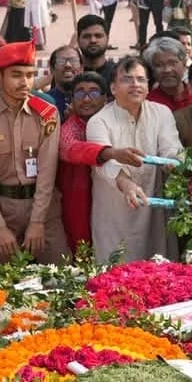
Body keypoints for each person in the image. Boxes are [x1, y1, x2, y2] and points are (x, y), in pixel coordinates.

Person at [0, 40, 70, 264]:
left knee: (62, 277)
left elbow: (47, 171)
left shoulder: (47, 114)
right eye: (16, 75)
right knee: (7, 287)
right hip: (4, 212)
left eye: (29, 74)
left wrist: (38, 221)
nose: (25, 82)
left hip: (45, 210)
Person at [88, 57, 183, 261]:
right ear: (113, 88)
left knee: (159, 275)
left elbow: (172, 148)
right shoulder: (99, 121)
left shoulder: (161, 113)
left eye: (141, 79)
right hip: (114, 214)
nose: (135, 85)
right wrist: (127, 184)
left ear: (149, 86)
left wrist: (173, 162)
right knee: (115, 277)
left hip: (153, 213)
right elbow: (105, 164)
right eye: (127, 79)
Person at [55, 71, 111, 253]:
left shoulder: (113, 125)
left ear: (105, 98)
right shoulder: (67, 129)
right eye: (80, 93)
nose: (86, 99)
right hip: (78, 204)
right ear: (72, 99)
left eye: (94, 93)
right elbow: (70, 149)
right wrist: (111, 153)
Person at [144, 37, 192, 111]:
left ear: (184, 63)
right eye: (159, 65)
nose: (167, 70)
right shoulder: (148, 105)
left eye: (172, 63)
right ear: (152, 70)